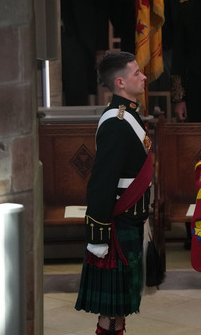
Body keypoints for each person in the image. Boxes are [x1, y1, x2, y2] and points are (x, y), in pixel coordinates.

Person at [74, 52, 151, 335]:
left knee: (119, 309)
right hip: (118, 224)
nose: (143, 77)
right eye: (136, 74)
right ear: (120, 82)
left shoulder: (128, 113)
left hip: (130, 219)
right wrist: (98, 237)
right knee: (110, 312)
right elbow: (102, 182)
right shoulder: (118, 122)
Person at [109, 0, 193, 115]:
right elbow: (116, 15)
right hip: (137, 51)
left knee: (171, 103)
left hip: (172, 50)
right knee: (140, 103)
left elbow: (188, 10)